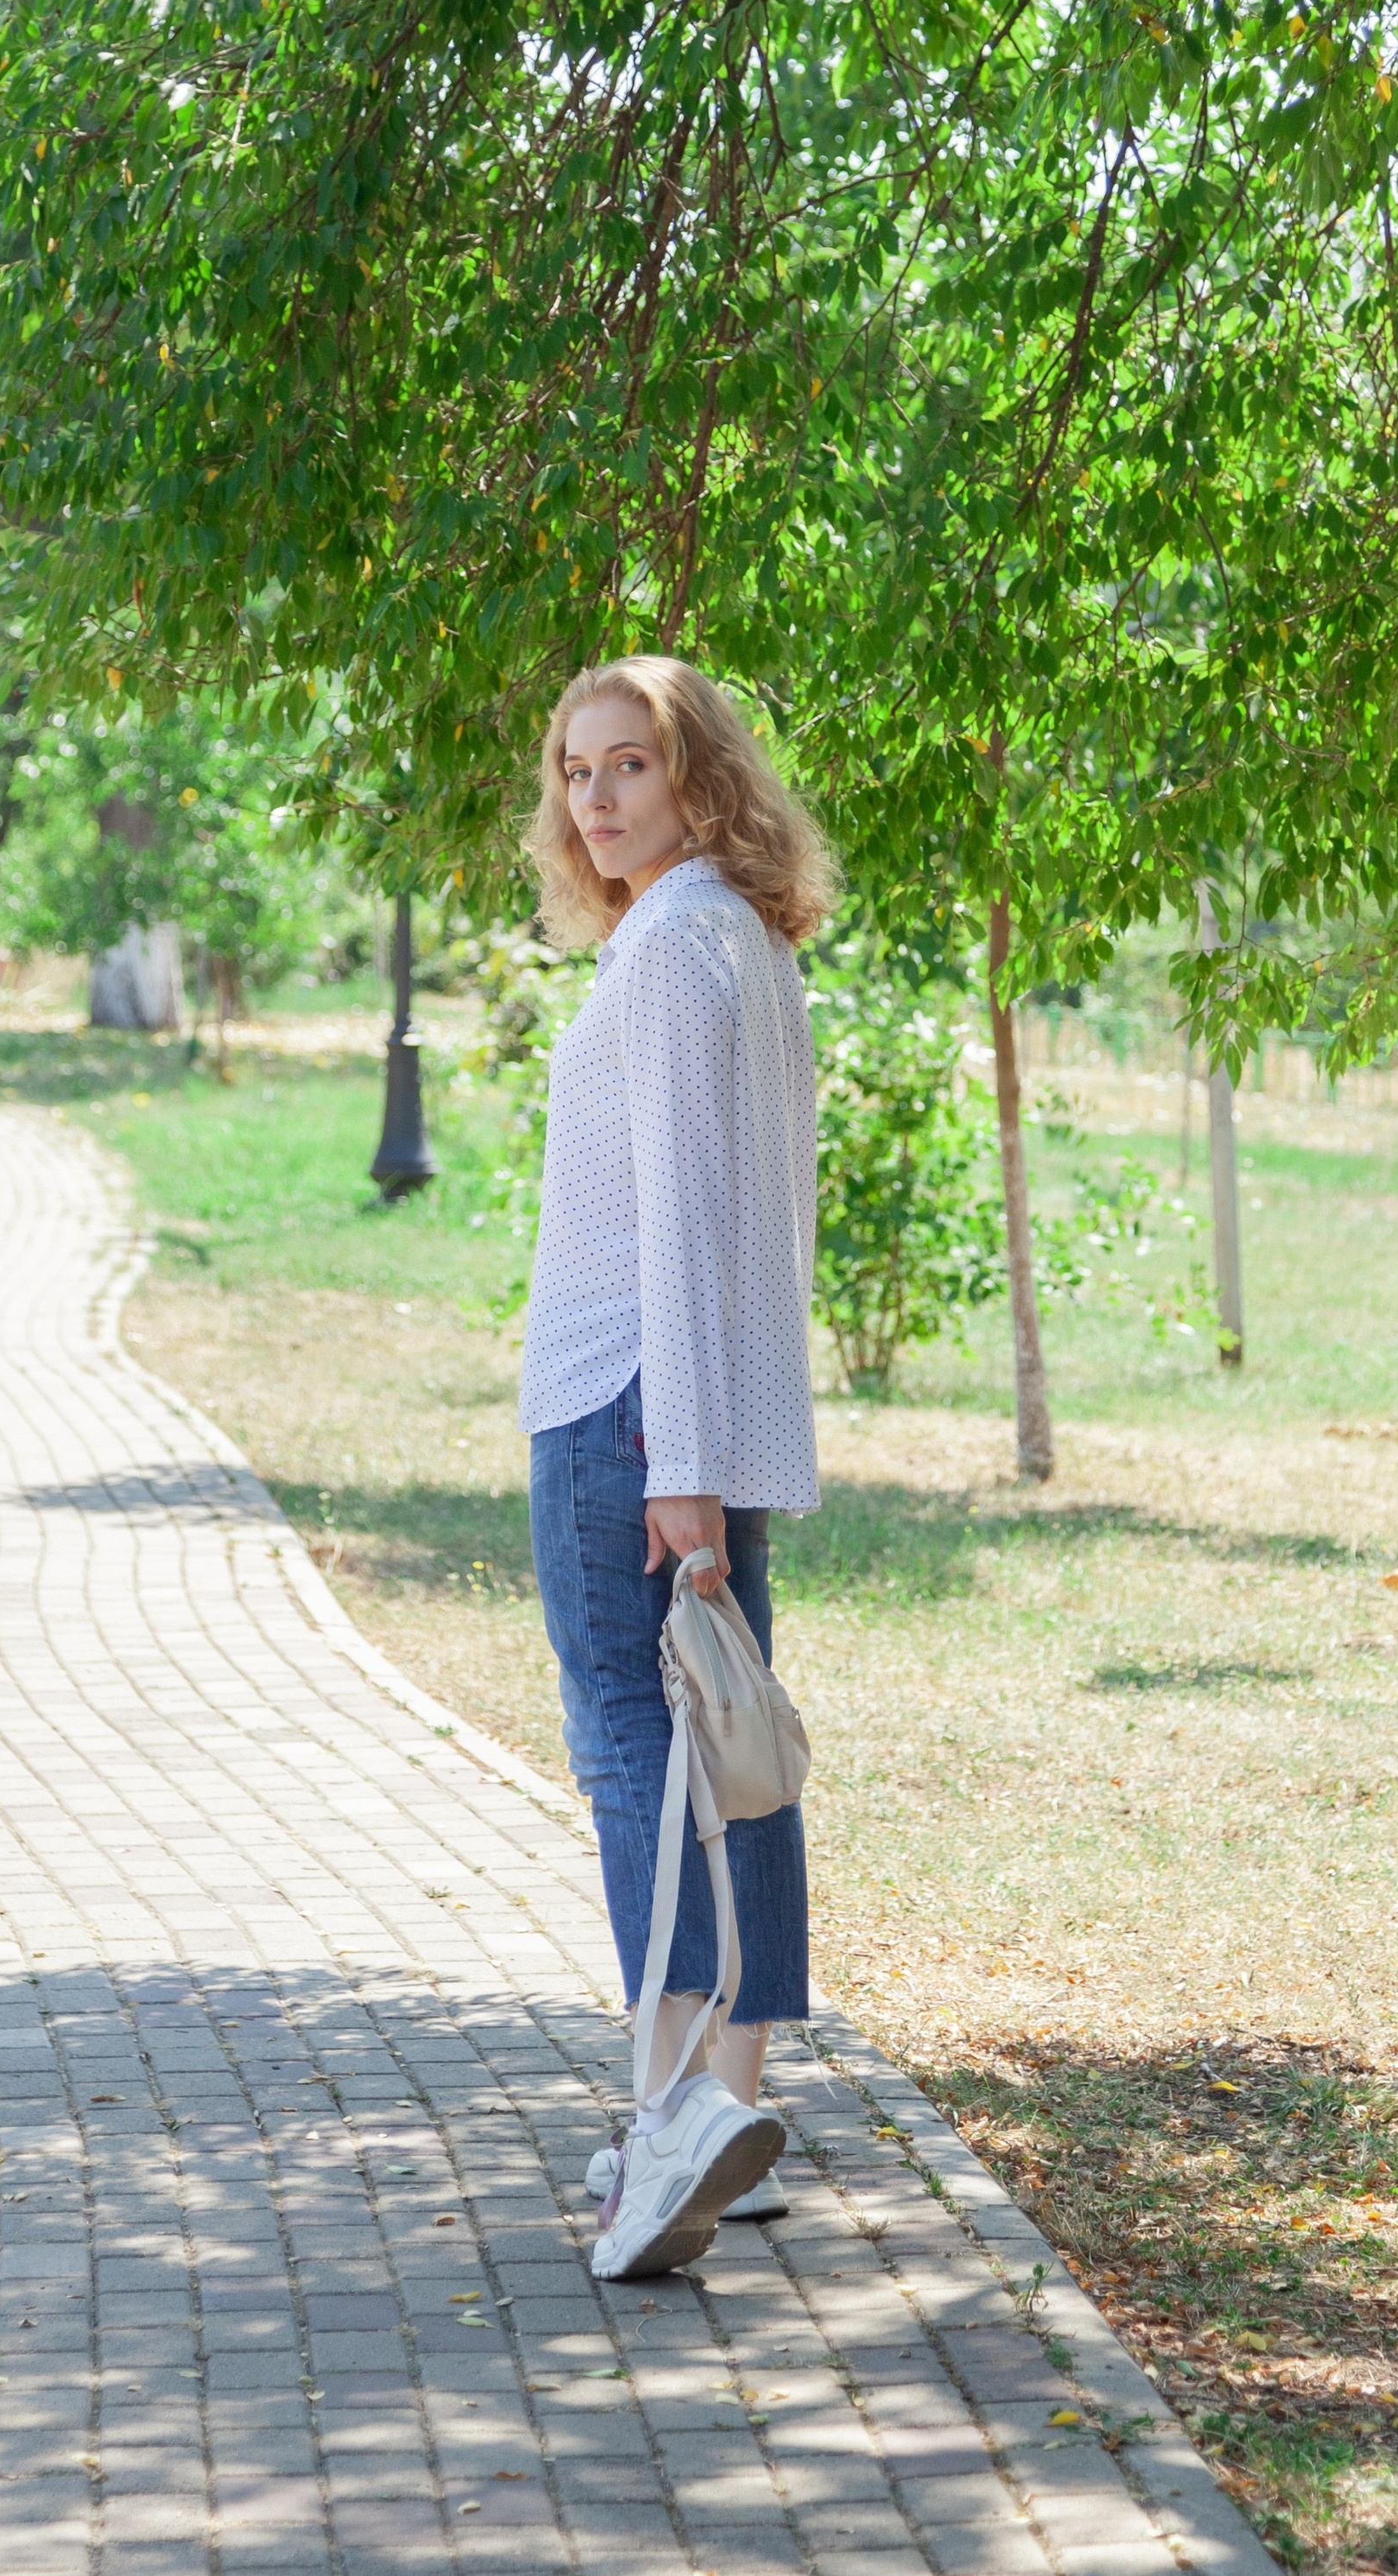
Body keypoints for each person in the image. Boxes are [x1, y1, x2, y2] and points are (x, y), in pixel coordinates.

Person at [518, 654, 833, 2281]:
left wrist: (683, 1467)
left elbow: (686, 1232)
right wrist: (718, 1448)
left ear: (698, 775)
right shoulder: (737, 940)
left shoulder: (670, 952)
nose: (596, 797)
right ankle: (728, 2109)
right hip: (700, 1416)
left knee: (639, 1755)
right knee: (733, 1744)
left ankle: (669, 2124)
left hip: (630, 1413)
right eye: (578, 772)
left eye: (628, 765)